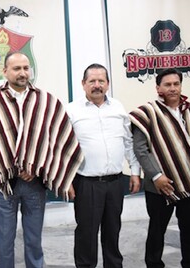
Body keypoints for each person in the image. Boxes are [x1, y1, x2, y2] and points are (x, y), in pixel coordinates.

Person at [0, 52, 84, 268]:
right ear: (4, 71)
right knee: (4, 242)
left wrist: (37, 167)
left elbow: (58, 139)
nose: (23, 73)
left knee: (34, 241)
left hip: (35, 184)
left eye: (26, 68)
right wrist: (6, 171)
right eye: (17, 68)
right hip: (4, 186)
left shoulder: (46, 101)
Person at [130, 68, 190, 268]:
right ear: (158, 88)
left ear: (181, 86)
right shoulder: (146, 113)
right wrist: (156, 175)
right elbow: (140, 148)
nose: (173, 88)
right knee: (157, 231)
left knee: (189, 232)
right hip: (159, 186)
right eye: (167, 84)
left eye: (176, 84)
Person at [66, 63, 141, 268]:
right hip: (87, 183)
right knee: (86, 235)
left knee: (113, 231)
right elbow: (62, 148)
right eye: (92, 81)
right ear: (83, 84)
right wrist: (66, 181)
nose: (97, 85)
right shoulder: (72, 111)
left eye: (101, 81)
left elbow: (128, 141)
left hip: (115, 182)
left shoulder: (118, 108)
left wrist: (134, 172)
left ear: (107, 84)